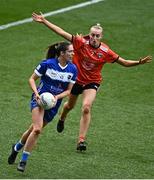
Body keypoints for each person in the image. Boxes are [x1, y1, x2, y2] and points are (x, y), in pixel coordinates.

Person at [32, 12, 152, 152]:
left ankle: (81, 140)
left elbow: (124, 62)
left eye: (97, 36)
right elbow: (61, 32)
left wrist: (139, 62)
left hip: (92, 82)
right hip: (75, 80)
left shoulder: (106, 51)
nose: (94, 38)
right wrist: (44, 21)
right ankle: (62, 118)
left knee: (86, 107)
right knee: (69, 106)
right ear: (89, 35)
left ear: (101, 37)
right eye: (92, 35)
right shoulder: (80, 42)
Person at [8, 41, 77, 172]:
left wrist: (57, 97)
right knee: (38, 129)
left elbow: (69, 90)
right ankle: (23, 161)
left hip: (53, 104)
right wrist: (36, 94)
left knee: (32, 130)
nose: (73, 53)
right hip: (39, 100)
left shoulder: (73, 69)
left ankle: (16, 148)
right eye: (70, 51)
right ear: (62, 53)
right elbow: (31, 79)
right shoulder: (47, 64)